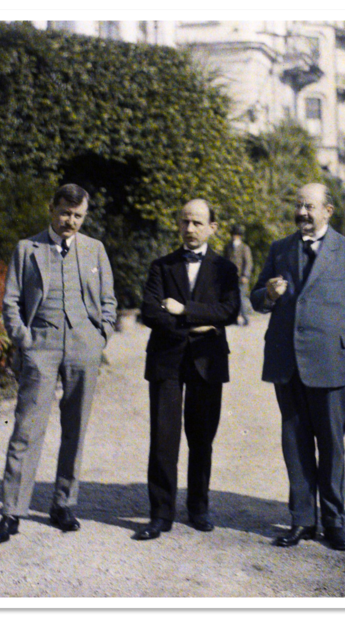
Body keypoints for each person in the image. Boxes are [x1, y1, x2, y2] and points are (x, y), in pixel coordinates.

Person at [250, 183, 345, 551]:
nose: (303, 213)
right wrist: (269, 296)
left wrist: (335, 331)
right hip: (286, 360)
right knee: (294, 442)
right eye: (299, 206)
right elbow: (257, 298)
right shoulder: (280, 249)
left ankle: (335, 522)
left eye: (310, 207)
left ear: (328, 211)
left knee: (332, 445)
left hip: (330, 360)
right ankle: (302, 520)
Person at [0, 183, 117, 545]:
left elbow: (109, 300)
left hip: (83, 346)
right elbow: (11, 301)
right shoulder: (27, 249)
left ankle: (63, 504)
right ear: (52, 209)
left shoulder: (95, 250)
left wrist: (100, 336)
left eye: (77, 216)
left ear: (84, 216)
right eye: (64, 213)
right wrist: (24, 341)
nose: (69, 221)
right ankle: (12, 512)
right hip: (40, 345)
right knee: (27, 430)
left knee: (75, 429)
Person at [134, 199, 240, 540]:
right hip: (167, 359)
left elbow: (228, 310)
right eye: (185, 222)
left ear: (212, 227)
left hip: (207, 362)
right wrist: (194, 324)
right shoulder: (161, 266)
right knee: (163, 439)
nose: (190, 229)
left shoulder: (225, 269)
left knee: (201, 438)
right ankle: (160, 514)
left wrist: (183, 309)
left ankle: (198, 509)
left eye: (197, 223)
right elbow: (150, 311)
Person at [224, 224, 253, 326]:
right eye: (233, 234)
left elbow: (248, 263)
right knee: (231, 299)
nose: (234, 237)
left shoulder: (244, 247)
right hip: (230, 277)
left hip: (241, 278)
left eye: (236, 235)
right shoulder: (227, 247)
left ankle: (245, 318)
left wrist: (245, 275)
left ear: (239, 236)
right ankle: (234, 318)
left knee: (242, 298)